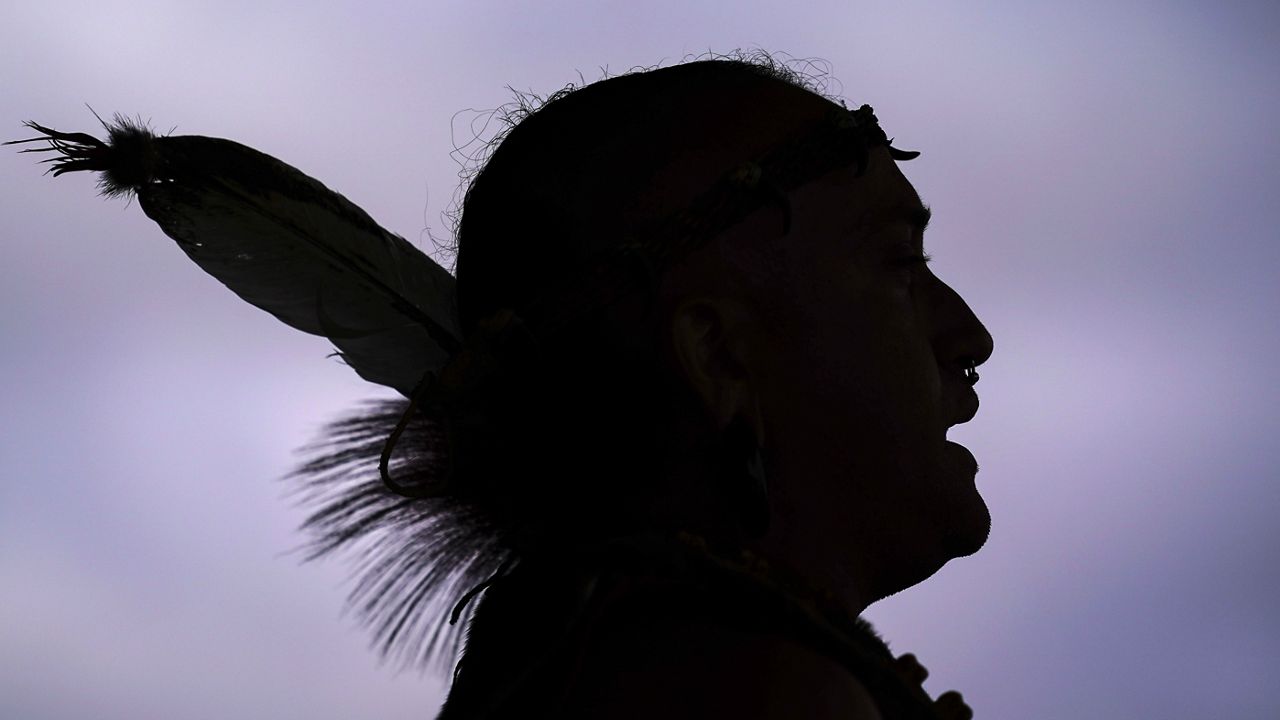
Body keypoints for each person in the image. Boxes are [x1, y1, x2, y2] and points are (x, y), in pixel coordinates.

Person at [11, 51, 992, 719]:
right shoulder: (729, 685)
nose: (967, 336)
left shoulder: (615, 652)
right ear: (718, 357)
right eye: (897, 265)